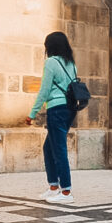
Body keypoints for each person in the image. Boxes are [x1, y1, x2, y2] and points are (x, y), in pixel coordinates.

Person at [27, 32, 78, 204]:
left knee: (58, 150)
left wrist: (32, 113)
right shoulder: (70, 63)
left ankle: (66, 192)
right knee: (49, 148)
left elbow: (44, 90)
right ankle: (53, 187)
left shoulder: (51, 62)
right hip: (70, 109)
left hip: (56, 109)